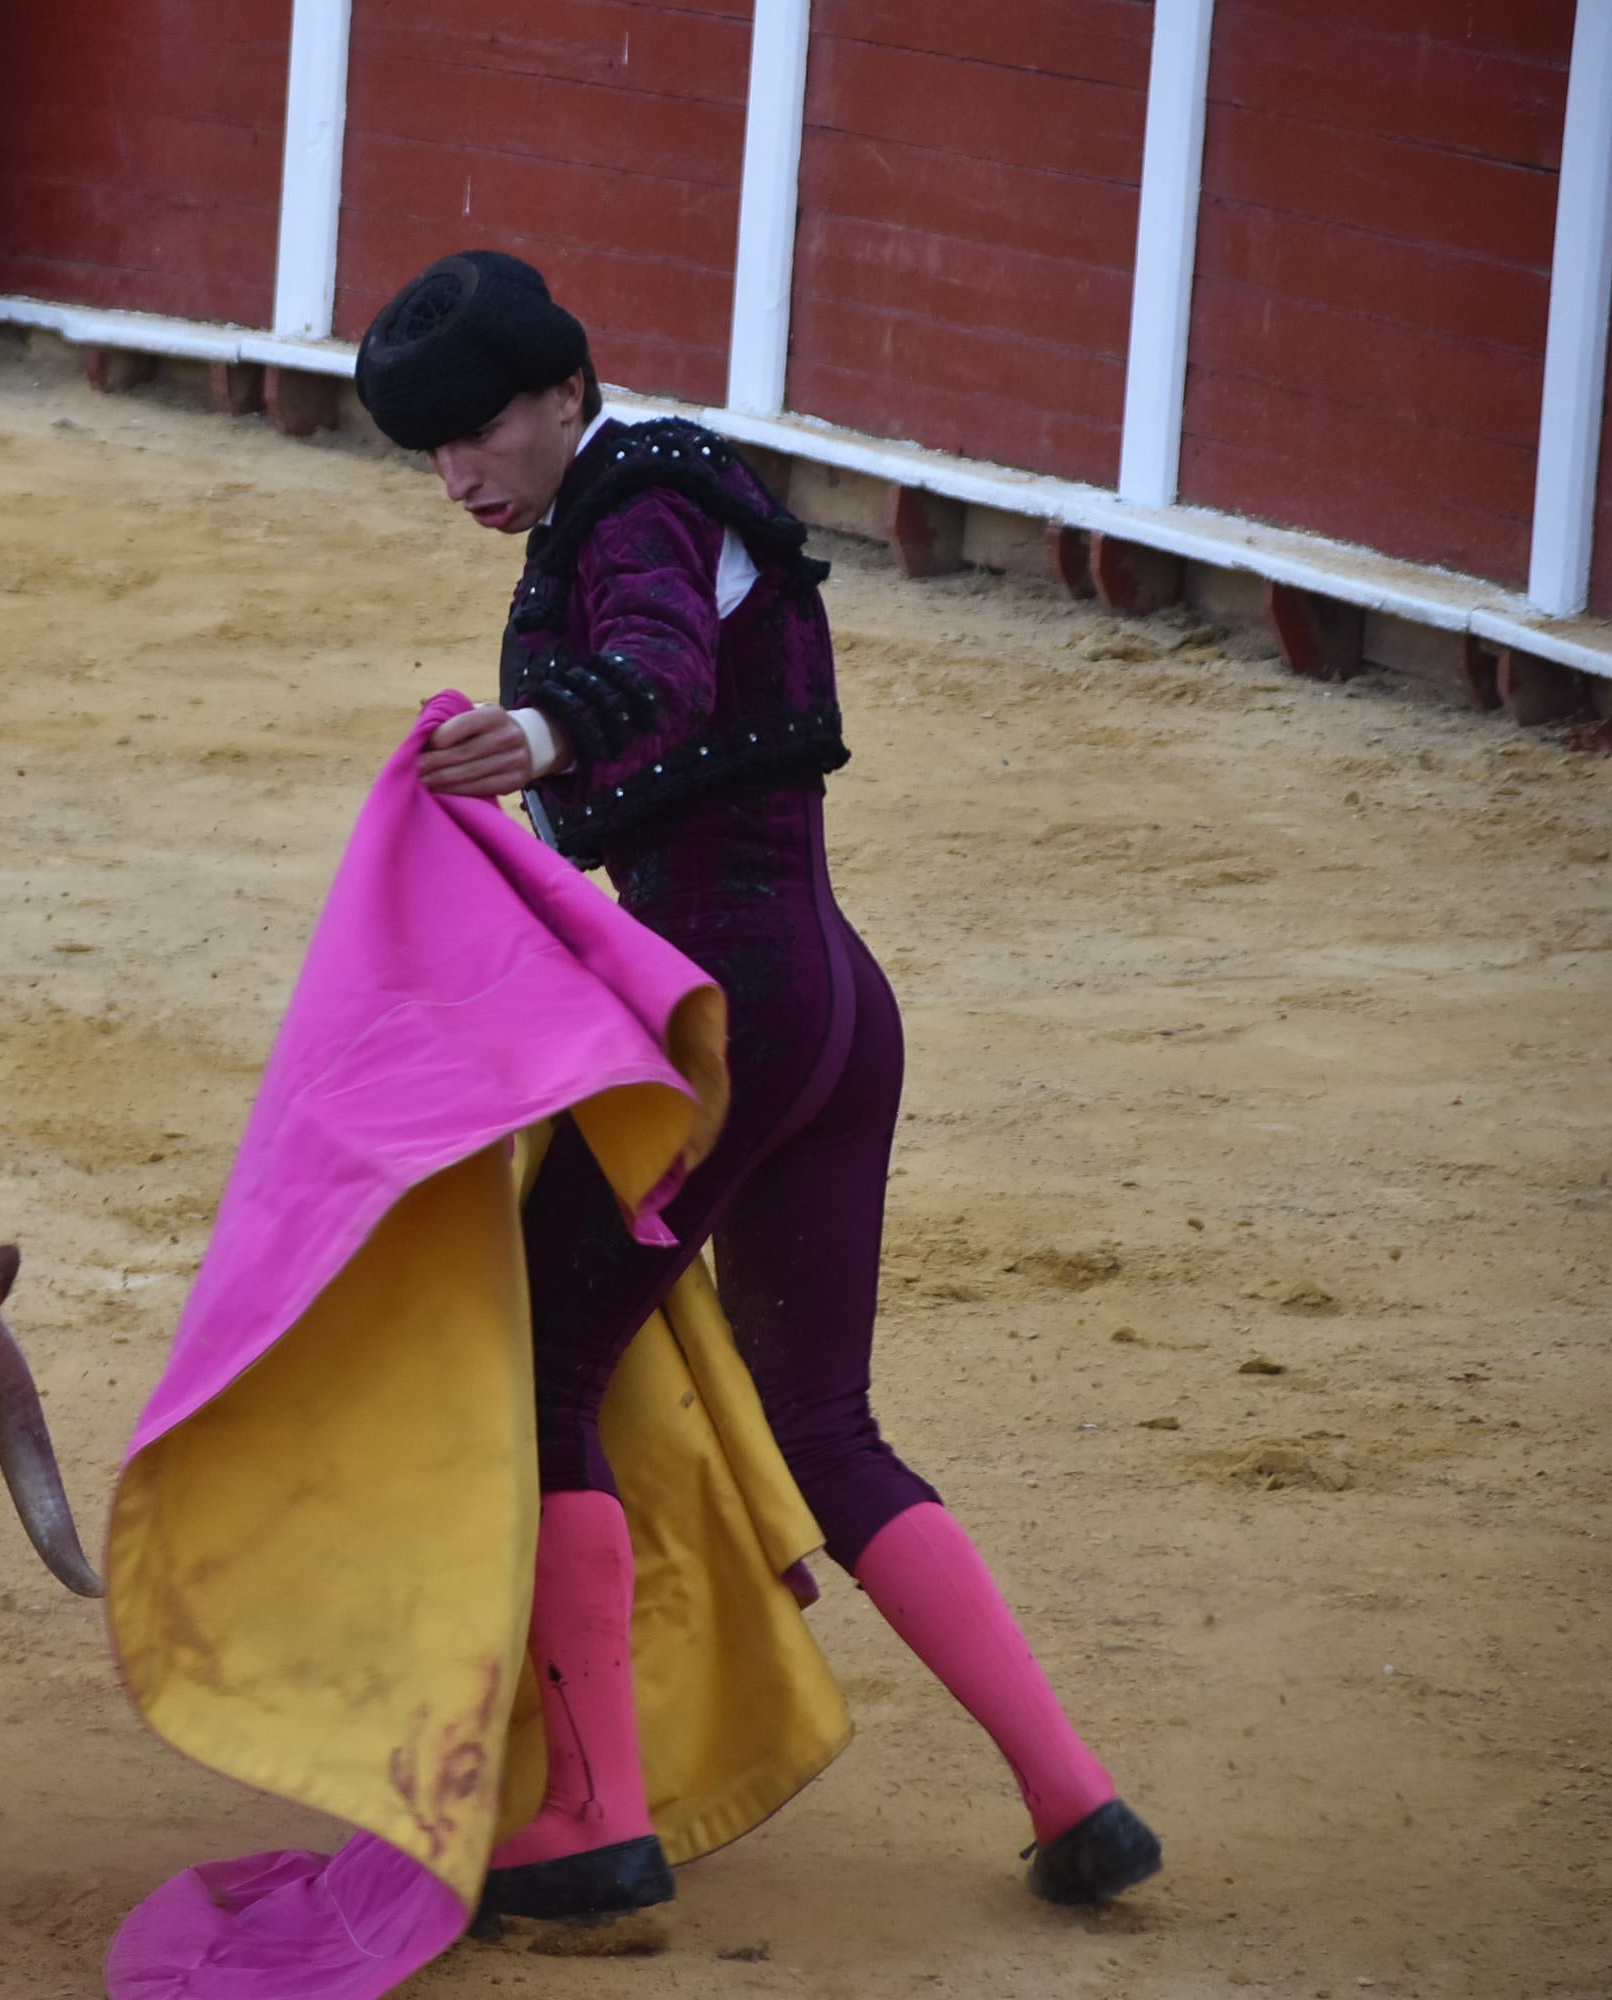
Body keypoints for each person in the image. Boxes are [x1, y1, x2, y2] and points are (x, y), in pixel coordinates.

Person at [352, 250, 1163, 1922]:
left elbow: (658, 672)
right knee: (825, 1422)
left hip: (716, 1024)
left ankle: (594, 1819)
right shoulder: (664, 482)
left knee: (538, 1370)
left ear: (566, 391)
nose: (459, 476)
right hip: (829, 1009)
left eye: (482, 431)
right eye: (430, 452)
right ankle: (1074, 1795)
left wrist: (540, 740)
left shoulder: (631, 498)